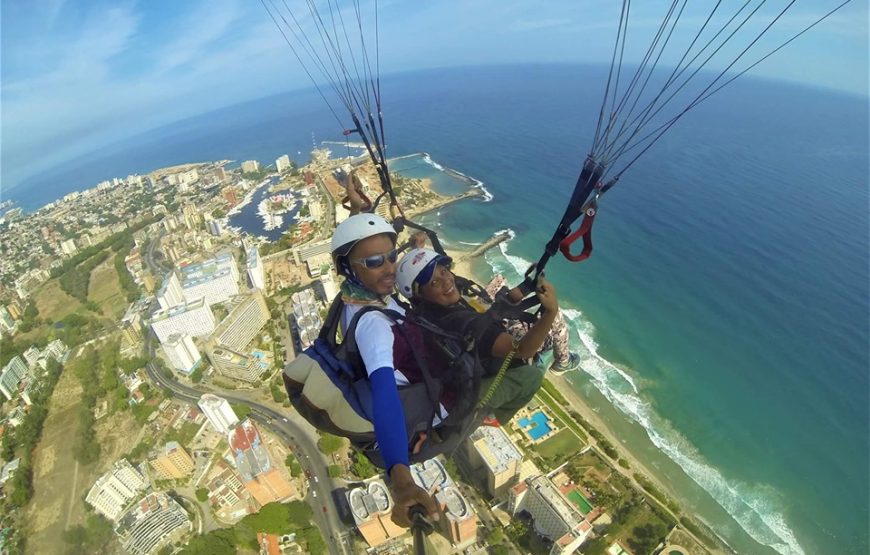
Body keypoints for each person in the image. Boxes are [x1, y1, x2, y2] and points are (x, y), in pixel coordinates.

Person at [329, 213, 439, 528]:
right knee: (523, 372)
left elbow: (363, 253)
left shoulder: (356, 295)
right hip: (428, 402)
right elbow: (385, 394)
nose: (390, 267)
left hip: (417, 376)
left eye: (392, 257)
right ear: (349, 268)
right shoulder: (374, 325)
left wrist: (360, 210)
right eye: (377, 261)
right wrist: (401, 480)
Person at [396, 248, 558, 426]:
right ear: (421, 295)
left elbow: (493, 309)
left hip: (457, 370)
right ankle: (492, 417)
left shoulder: (431, 310)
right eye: (434, 282)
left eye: (444, 271)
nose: (447, 281)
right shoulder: (461, 323)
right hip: (467, 394)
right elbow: (523, 350)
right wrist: (551, 312)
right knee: (532, 375)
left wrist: (526, 287)